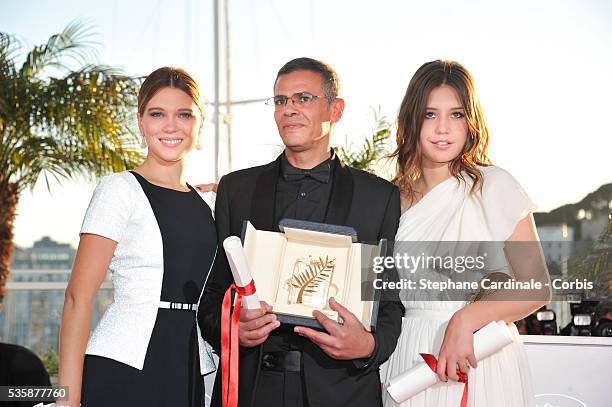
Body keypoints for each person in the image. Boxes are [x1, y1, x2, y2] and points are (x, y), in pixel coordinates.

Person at [197, 57, 404, 407]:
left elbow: (387, 304)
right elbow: (214, 293)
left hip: (342, 391)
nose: (289, 109)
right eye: (281, 100)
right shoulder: (236, 190)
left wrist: (368, 346)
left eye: (303, 98)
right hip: (251, 390)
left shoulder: (379, 198)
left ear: (335, 110)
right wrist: (231, 329)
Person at [381, 60, 550, 406]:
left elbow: (537, 285)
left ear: (471, 121)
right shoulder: (389, 199)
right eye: (430, 114)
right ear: (411, 120)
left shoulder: (494, 185)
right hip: (409, 358)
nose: (443, 128)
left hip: (480, 353)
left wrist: (465, 319)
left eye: (456, 114)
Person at [58, 67, 217, 407]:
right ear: (141, 122)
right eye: (157, 114)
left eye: (184, 114)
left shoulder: (210, 204)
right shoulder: (119, 190)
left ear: (200, 123)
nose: (171, 126)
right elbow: (77, 298)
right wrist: (67, 401)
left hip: (192, 367)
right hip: (125, 365)